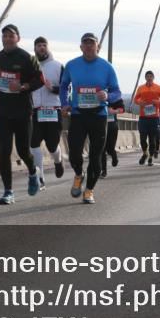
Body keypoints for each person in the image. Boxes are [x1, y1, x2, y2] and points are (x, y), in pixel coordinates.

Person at [59, 32, 122, 204]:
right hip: (78, 115)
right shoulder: (72, 65)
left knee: (96, 156)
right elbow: (64, 86)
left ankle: (89, 190)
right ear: (81, 47)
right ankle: (79, 174)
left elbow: (117, 92)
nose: (88, 46)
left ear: (98, 47)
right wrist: (64, 103)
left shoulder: (107, 67)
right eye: (85, 43)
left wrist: (107, 95)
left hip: (98, 116)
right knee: (74, 154)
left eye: (91, 43)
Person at [0, 24, 44, 204]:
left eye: (11, 36)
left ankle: (33, 172)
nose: (7, 39)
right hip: (3, 112)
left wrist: (23, 86)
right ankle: (8, 192)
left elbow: (40, 80)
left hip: (22, 111)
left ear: (18, 38)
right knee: (4, 151)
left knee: (23, 150)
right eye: (5, 36)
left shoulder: (27, 58)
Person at [30, 36, 65, 189]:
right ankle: (40, 178)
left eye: (44, 45)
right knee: (34, 144)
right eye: (38, 45)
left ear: (48, 47)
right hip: (36, 110)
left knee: (52, 146)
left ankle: (58, 160)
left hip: (53, 110)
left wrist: (53, 88)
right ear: (35, 48)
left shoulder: (58, 66)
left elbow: (67, 89)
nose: (41, 47)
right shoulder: (30, 66)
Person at [133, 70, 160, 166]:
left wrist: (158, 102)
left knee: (152, 139)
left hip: (154, 117)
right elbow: (135, 99)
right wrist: (140, 102)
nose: (149, 78)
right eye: (147, 76)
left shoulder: (159, 88)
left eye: (151, 76)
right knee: (142, 138)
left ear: (153, 77)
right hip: (143, 116)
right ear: (145, 78)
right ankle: (145, 153)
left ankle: (150, 157)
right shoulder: (141, 88)